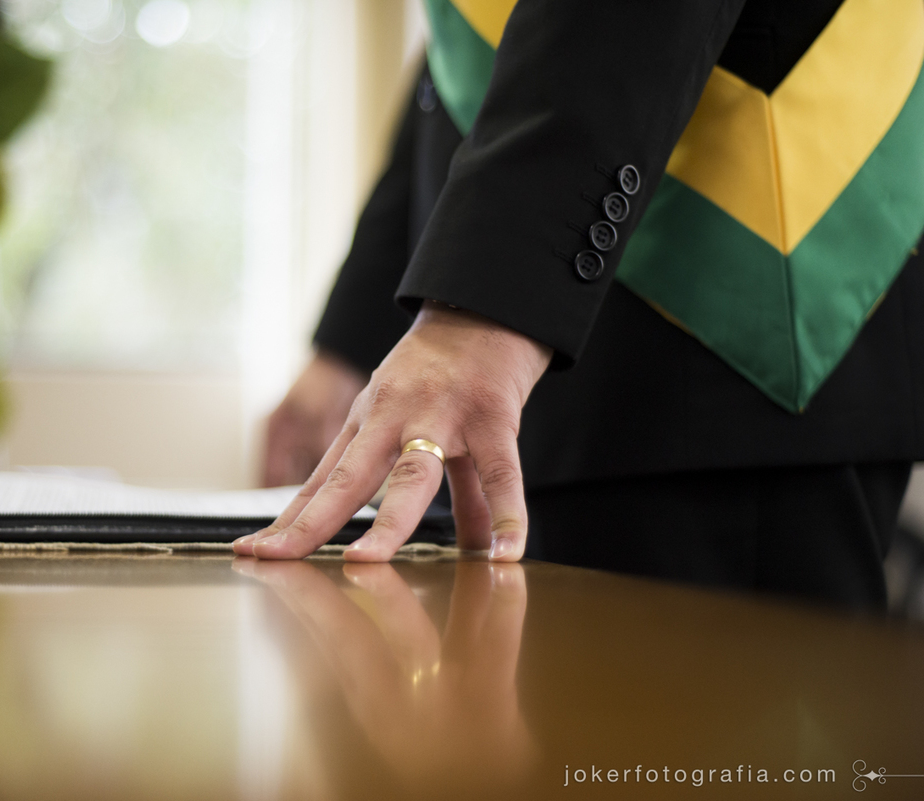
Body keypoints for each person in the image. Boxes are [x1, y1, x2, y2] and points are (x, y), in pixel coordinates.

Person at [235, 0, 924, 609]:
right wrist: (355, 339)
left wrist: (486, 302)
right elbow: (470, 41)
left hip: (725, 343)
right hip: (528, 349)